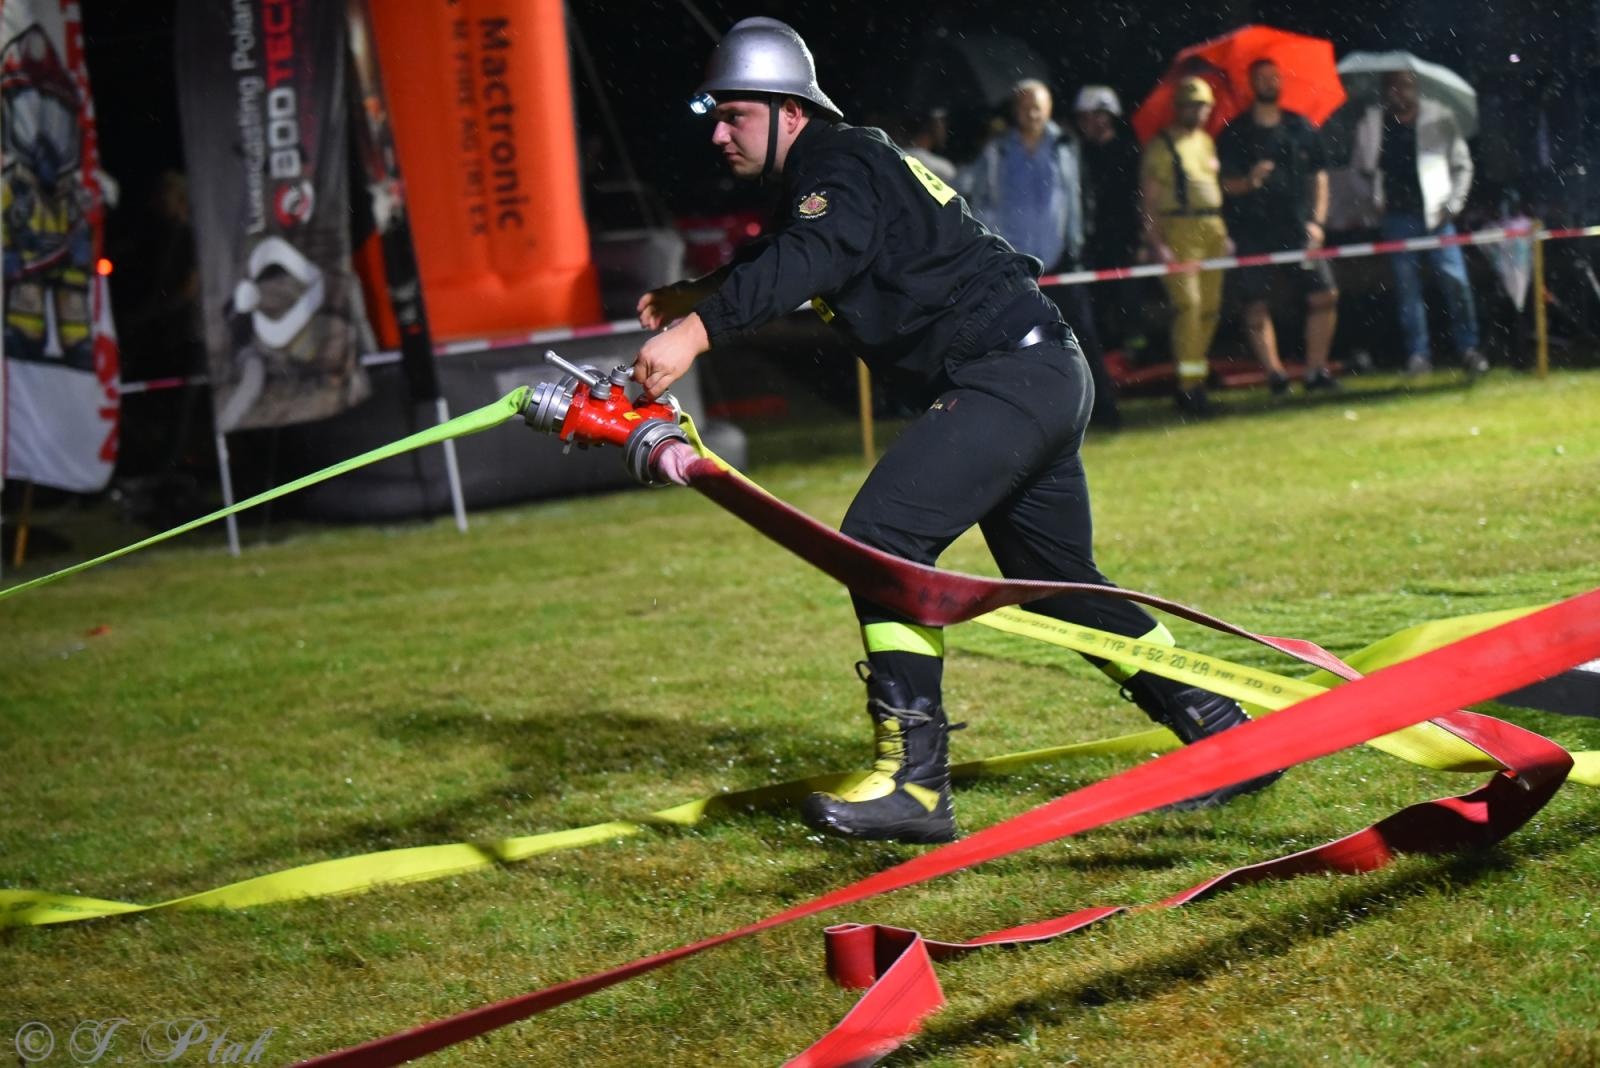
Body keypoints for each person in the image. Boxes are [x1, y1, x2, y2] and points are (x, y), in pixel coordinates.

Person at [634, 18, 1278, 845]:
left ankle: (914, 783)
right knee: (1059, 586)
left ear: (791, 110)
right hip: (1037, 370)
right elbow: (800, 249)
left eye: (734, 116)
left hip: (1005, 377)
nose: (719, 135)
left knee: (881, 539)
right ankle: (1227, 734)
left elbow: (813, 255)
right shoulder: (836, 168)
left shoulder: (836, 162)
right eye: (715, 119)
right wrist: (701, 291)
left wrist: (696, 330)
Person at [963, 79, 1120, 428]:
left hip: (1062, 258)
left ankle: (1104, 409)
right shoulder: (997, 150)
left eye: (1037, 106)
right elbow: (980, 198)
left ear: (1049, 109)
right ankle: (1022, 418)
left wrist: (1079, 240)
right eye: (1024, 107)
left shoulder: (1066, 145)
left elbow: (1080, 195)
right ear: (1014, 112)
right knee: (1015, 342)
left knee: (1083, 336)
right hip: (1015, 263)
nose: (1031, 113)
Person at [1351, 70, 1486, 377]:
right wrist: (1371, 201)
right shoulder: (1371, 123)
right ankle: (1418, 356)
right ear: (1385, 91)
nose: (1400, 92)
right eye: (1393, 86)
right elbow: (1358, 170)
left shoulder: (1440, 117)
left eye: (1406, 85)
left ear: (1416, 87)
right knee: (1407, 289)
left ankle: (1469, 349)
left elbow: (1463, 165)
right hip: (1396, 217)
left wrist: (1454, 204)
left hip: (1438, 215)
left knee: (1455, 281)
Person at [1217, 58, 1340, 394]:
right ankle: (1275, 375)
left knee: (1325, 294)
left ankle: (1316, 371)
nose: (1269, 82)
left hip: (1299, 228)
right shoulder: (1235, 133)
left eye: (1274, 76)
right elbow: (1225, 185)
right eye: (1262, 77)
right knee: (1255, 302)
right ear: (1251, 84)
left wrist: (1317, 222)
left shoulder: (1301, 127)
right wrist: (1250, 180)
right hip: (1252, 230)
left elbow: (1319, 176)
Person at [1141, 77, 1230, 415]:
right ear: (1178, 108)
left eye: (1203, 105)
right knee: (1188, 306)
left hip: (1213, 229)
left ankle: (1196, 377)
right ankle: (1189, 386)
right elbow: (1149, 199)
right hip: (1179, 230)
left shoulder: (1207, 141)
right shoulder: (1162, 145)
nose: (1198, 111)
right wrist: (1155, 241)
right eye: (1192, 105)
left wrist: (1224, 233)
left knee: (1211, 307)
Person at [1073, 84, 1147, 356]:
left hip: (1125, 237)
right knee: (1097, 302)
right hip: (1091, 240)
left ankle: (1134, 355)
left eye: (1095, 115)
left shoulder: (1129, 151)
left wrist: (1144, 238)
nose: (1089, 122)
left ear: (1109, 116)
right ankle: (1105, 356)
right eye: (1084, 117)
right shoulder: (1077, 153)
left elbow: (1142, 197)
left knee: (1129, 299)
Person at [901, 106, 957, 186]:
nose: (944, 130)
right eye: (942, 123)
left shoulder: (894, 156)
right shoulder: (943, 169)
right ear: (933, 125)